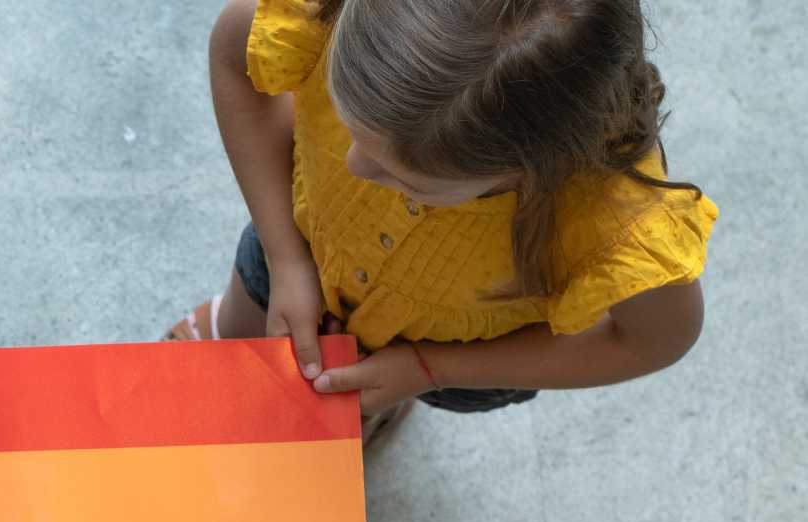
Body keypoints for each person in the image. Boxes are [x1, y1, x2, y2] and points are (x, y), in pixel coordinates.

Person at [175, 0, 717, 439]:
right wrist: (286, 258)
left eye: (406, 179)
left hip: (459, 354)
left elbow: (658, 339)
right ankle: (229, 332)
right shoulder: (335, 16)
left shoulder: (613, 218)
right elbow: (233, 52)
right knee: (246, 323)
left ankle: (357, 415)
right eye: (347, 122)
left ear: (533, 169)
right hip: (298, 248)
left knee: (336, 412)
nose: (353, 167)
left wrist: (429, 369)